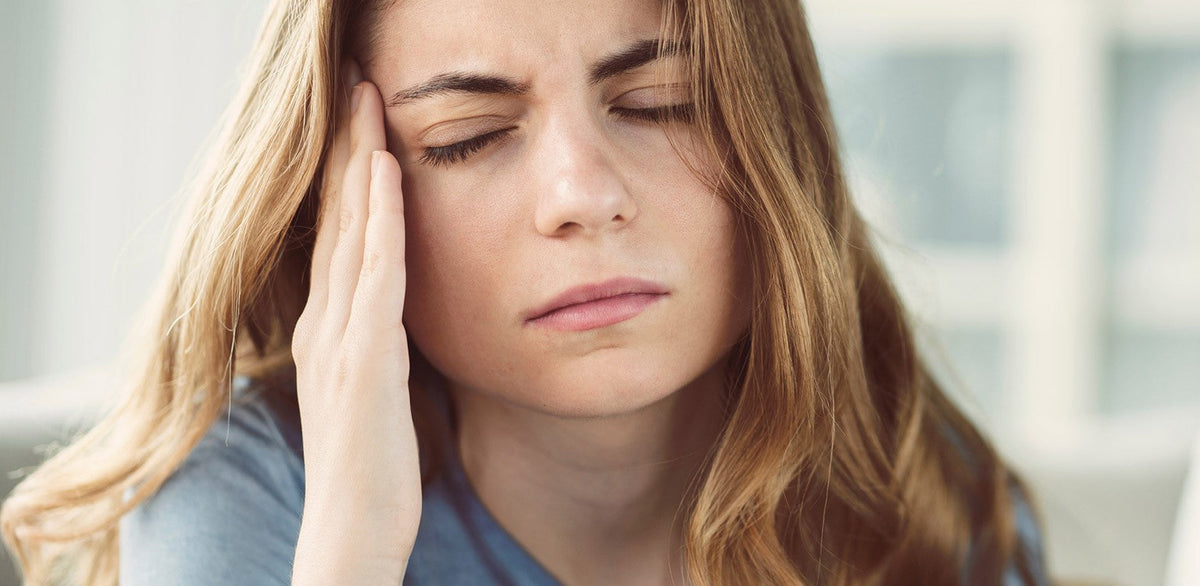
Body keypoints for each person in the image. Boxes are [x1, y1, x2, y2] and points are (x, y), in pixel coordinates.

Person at [0, 0, 1050, 583]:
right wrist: (354, 547)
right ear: (340, 197)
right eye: (469, 137)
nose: (583, 196)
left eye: (662, 102)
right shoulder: (251, 491)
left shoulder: (915, 497)